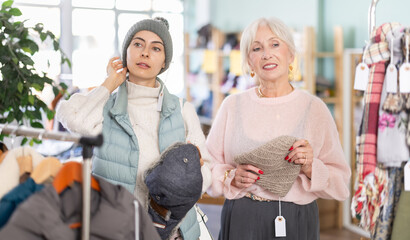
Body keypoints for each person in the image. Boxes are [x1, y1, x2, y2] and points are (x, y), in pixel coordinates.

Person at [56, 17, 212, 240]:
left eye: (155, 48)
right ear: (125, 53)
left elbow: (206, 168)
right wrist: (110, 82)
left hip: (170, 232)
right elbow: (72, 119)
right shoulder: (105, 105)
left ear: (164, 61)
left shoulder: (182, 110)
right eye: (138, 44)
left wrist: (183, 186)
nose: (145, 53)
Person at [205, 17, 351, 240]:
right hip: (243, 217)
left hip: (297, 219)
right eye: (257, 48)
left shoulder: (314, 108)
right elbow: (208, 166)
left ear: (291, 54)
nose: (267, 54)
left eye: (275, 44)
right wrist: (231, 177)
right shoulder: (232, 106)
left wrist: (311, 167)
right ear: (249, 61)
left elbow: (340, 180)